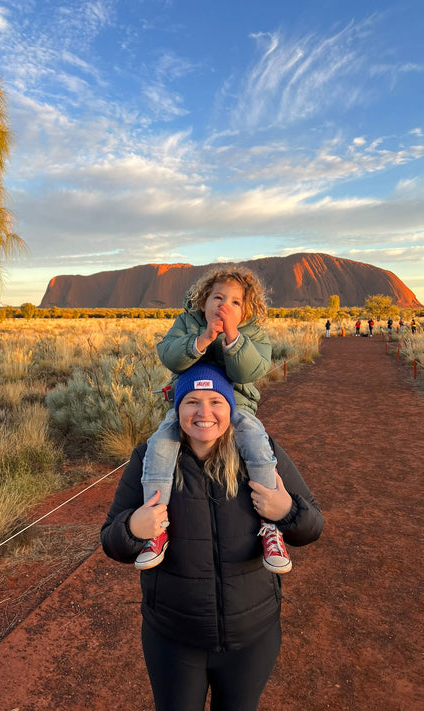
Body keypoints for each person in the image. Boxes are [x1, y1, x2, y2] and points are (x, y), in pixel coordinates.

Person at [101, 364, 324, 711]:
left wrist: (286, 511)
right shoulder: (149, 460)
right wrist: (133, 528)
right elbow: (111, 541)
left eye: (215, 401)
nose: (204, 413)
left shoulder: (261, 454)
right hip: (173, 638)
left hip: (252, 637)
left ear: (231, 408)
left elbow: (312, 527)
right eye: (192, 401)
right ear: (177, 408)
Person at [137, 267, 291, 575]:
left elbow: (251, 371)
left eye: (235, 302)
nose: (225, 305)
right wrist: (204, 338)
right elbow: (169, 354)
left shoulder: (253, 332)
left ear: (246, 309)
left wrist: (233, 337)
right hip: (189, 404)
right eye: (218, 297)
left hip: (237, 405)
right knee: (161, 442)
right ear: (204, 300)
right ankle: (156, 525)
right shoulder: (187, 322)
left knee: (254, 439)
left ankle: (270, 524)